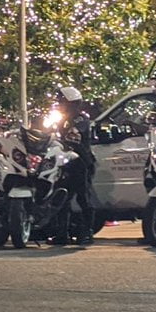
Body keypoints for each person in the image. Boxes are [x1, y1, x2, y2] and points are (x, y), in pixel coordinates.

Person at [52, 86, 98, 245]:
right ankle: (62, 233)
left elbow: (73, 133)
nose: (59, 104)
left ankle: (87, 232)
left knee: (83, 197)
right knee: (62, 197)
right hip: (65, 162)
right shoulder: (62, 120)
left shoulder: (80, 119)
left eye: (62, 101)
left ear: (70, 102)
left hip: (80, 162)